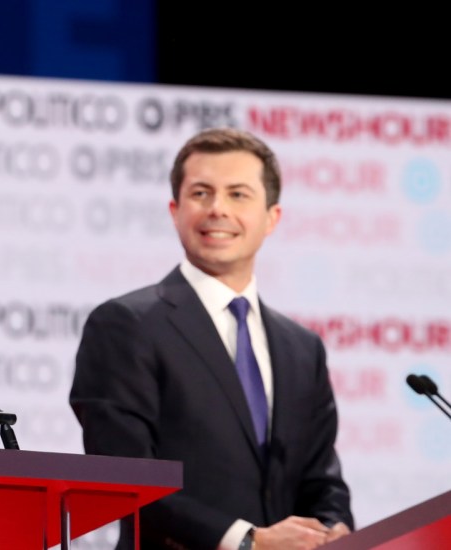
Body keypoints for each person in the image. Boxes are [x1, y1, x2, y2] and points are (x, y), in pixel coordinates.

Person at [69, 128, 353, 550]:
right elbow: (126, 479)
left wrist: (333, 528)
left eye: (238, 194)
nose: (217, 209)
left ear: (272, 217)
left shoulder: (301, 348)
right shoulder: (126, 325)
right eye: (201, 193)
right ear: (175, 209)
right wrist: (247, 542)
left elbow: (321, 476)